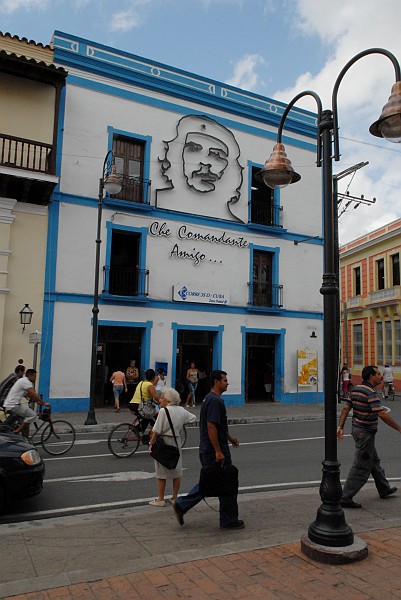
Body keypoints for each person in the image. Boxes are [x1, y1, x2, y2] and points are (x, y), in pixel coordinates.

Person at [173, 370, 245, 529]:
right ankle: (228, 519)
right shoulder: (214, 401)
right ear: (216, 382)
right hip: (214, 450)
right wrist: (218, 451)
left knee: (212, 481)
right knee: (227, 483)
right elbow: (211, 426)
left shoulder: (210, 399)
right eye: (225, 380)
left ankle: (183, 505)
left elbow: (217, 425)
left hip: (209, 448)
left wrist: (228, 436)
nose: (227, 383)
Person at [337, 365, 401, 509]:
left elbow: (346, 408)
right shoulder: (370, 392)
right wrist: (398, 428)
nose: (381, 376)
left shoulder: (356, 389)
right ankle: (345, 497)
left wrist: (340, 427)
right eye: (378, 374)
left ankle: (384, 488)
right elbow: (381, 413)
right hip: (365, 433)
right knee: (361, 465)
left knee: (374, 461)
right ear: (371, 377)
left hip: (358, 430)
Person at [148, 387, 196, 507]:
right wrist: (179, 424)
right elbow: (193, 418)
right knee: (176, 470)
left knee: (161, 472)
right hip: (176, 441)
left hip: (164, 441)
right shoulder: (181, 410)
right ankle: (174, 497)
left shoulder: (164, 411)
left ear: (168, 400)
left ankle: (160, 499)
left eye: (162, 397)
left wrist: (151, 444)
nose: (160, 400)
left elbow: (156, 430)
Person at [3, 369, 50, 437]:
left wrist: (37, 401)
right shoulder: (26, 382)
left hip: (10, 404)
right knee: (33, 415)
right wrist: (43, 403)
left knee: (24, 420)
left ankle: (24, 438)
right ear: (30, 375)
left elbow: (29, 395)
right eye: (35, 376)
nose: (35, 378)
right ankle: (17, 431)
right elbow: (33, 394)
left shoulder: (22, 381)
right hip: (13, 405)